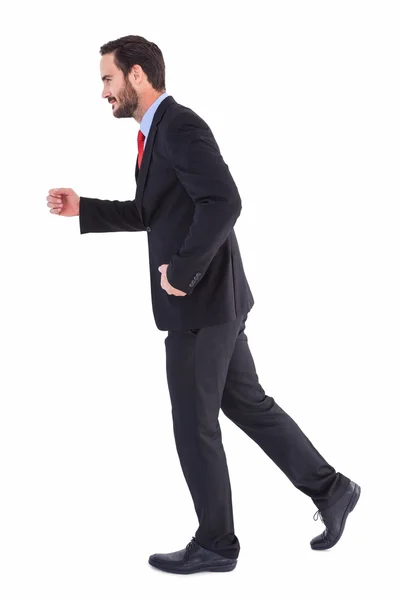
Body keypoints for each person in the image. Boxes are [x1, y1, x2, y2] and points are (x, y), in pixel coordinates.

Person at [47, 35, 360, 575]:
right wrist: (85, 209)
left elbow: (224, 201)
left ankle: (217, 543)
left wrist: (183, 273)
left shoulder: (180, 125)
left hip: (200, 304)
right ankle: (332, 490)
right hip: (218, 303)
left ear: (138, 75)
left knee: (195, 423)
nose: (103, 91)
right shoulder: (156, 133)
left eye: (107, 79)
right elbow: (156, 210)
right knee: (247, 404)